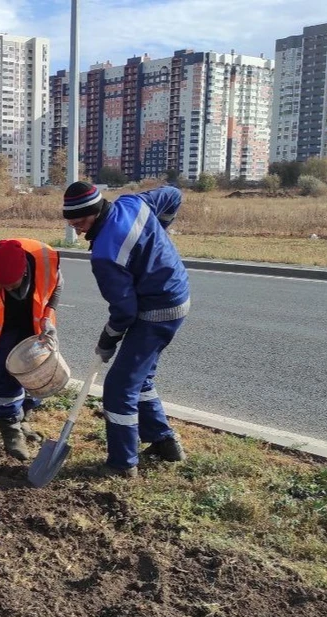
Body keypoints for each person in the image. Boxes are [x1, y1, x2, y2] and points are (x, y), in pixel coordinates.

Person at [62, 181, 189, 478]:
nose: (77, 230)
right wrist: (160, 231)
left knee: (119, 388)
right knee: (138, 378)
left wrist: (109, 338)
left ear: (95, 212)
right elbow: (173, 194)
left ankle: (122, 464)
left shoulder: (105, 254)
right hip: (176, 294)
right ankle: (164, 443)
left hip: (157, 311)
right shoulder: (133, 203)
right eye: (70, 223)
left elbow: (124, 311)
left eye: (79, 222)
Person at [0, 239, 63, 461]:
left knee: (38, 371)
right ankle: (10, 429)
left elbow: (57, 287)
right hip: (2, 329)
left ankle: (24, 417)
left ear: (24, 272)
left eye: (11, 285)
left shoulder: (45, 260)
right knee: (2, 373)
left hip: (33, 322)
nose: (7, 290)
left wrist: (48, 314)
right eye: (3, 286)